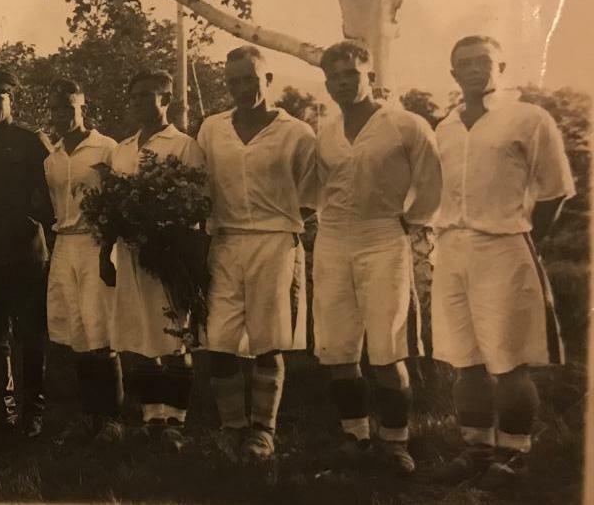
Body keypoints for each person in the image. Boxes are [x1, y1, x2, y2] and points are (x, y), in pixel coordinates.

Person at [430, 36, 574, 490]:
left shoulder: (529, 118)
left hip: (504, 248)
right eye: (465, 64)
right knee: (465, 361)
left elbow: (554, 190)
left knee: (509, 362)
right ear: (453, 74)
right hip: (452, 250)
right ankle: (476, 450)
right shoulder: (445, 127)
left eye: (484, 61)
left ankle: (514, 455)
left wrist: (525, 238)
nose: (475, 69)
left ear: (501, 66)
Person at [314, 40, 442, 475]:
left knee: (388, 349)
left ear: (369, 75)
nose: (343, 82)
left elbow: (431, 183)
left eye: (351, 74)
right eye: (334, 76)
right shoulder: (326, 131)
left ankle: (395, 441)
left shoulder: (405, 125)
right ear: (327, 84)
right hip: (333, 239)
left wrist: (410, 220)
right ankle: (355, 436)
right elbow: (319, 187)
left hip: (383, 237)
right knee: (338, 348)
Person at [196, 47, 317, 461]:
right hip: (225, 241)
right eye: (233, 81)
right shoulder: (212, 129)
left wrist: (279, 221)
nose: (242, 88)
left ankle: (263, 431)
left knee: (269, 340)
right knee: (220, 341)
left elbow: (312, 195)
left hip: (275, 241)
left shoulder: (297, 132)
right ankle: (233, 428)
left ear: (268, 79)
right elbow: (200, 185)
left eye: (250, 79)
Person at [101, 69, 203, 453]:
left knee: (174, 336)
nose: (137, 103)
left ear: (166, 99)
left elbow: (195, 202)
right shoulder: (122, 149)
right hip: (130, 254)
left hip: (169, 256)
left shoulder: (184, 145)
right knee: (140, 334)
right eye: (133, 96)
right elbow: (111, 207)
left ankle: (176, 421)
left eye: (146, 95)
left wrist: (170, 239)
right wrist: (106, 252)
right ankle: (152, 417)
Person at [0, 69, 55, 438]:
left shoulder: (32, 141)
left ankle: (33, 413)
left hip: (24, 253)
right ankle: (3, 412)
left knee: (30, 334)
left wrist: (33, 222)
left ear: (10, 100)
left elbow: (52, 192)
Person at [42, 79, 124, 444]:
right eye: (55, 108)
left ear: (82, 108)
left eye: (68, 107)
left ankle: (112, 419)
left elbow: (118, 204)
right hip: (65, 244)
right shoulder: (52, 158)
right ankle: (88, 416)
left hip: (96, 243)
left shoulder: (106, 148)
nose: (61, 115)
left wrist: (108, 251)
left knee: (99, 329)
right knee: (75, 332)